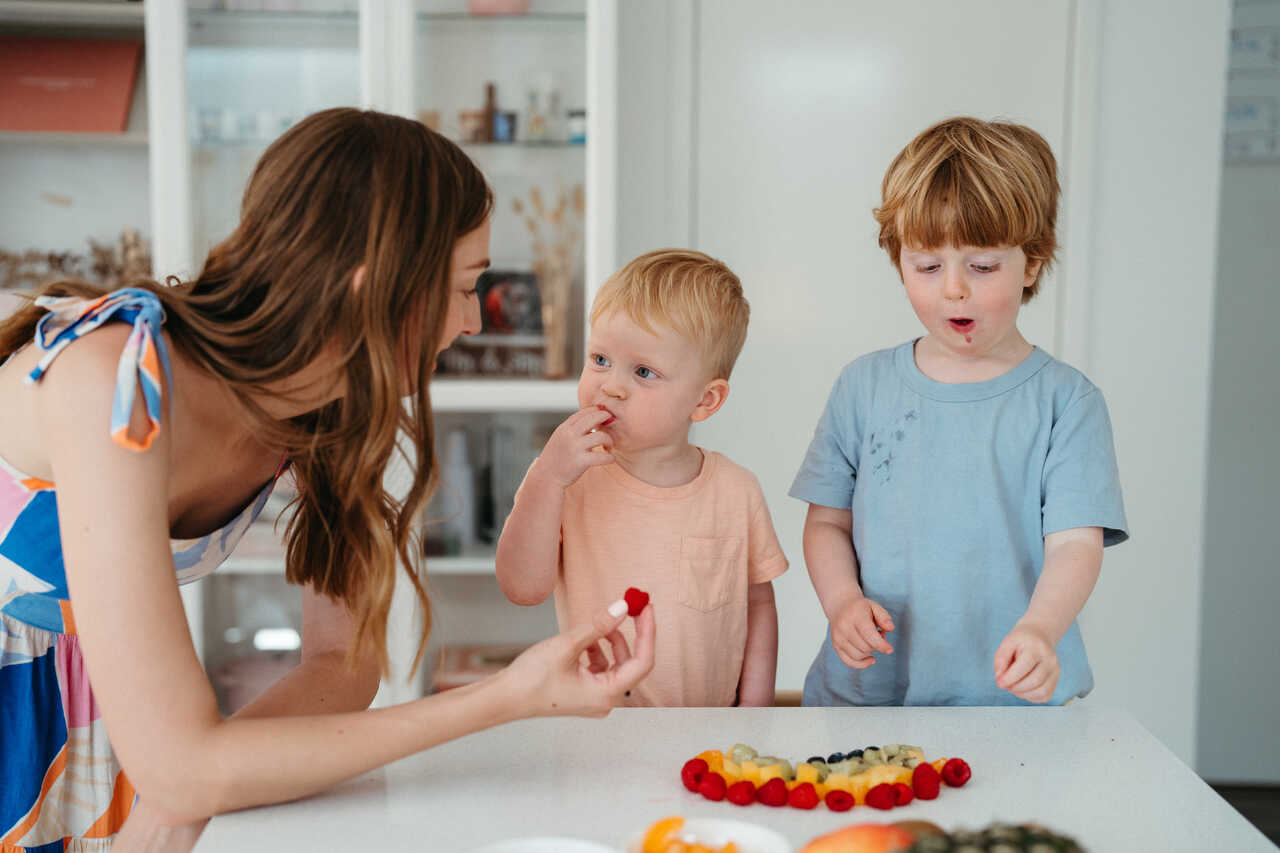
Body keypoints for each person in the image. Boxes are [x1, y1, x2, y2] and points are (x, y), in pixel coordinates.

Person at [0, 107, 654, 852]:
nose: (472, 323)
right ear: (373, 289)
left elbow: (340, 665)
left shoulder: (330, 405)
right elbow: (181, 767)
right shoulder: (111, 380)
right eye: (466, 287)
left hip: (97, 714)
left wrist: (201, 776)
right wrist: (507, 697)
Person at [790, 117, 1128, 708]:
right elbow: (827, 525)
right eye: (927, 266)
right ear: (898, 262)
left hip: (1012, 704)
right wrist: (842, 601)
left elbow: (1076, 544)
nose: (953, 290)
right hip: (872, 696)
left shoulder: (1066, 402)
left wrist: (1040, 629)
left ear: (1032, 262)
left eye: (982, 266)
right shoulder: (862, 387)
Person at [495, 250, 788, 707]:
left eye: (644, 371)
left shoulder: (736, 491)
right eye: (599, 359)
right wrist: (547, 479)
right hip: (594, 727)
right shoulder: (563, 480)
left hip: (707, 732)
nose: (611, 386)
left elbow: (758, 607)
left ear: (705, 401)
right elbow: (521, 588)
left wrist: (754, 711)